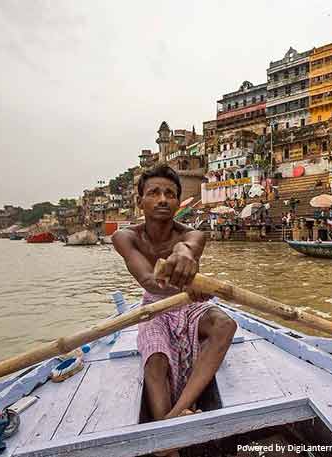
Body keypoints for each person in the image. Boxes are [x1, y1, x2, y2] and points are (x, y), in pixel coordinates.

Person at [112, 165, 236, 455]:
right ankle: (170, 442)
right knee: (156, 359)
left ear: (179, 202)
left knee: (225, 325)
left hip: (189, 303)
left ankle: (172, 420)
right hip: (154, 305)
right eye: (154, 193)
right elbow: (148, 280)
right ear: (140, 201)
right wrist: (182, 276)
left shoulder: (193, 234)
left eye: (170, 193)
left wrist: (183, 253)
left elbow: (189, 246)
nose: (163, 199)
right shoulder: (126, 237)